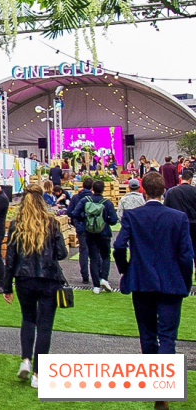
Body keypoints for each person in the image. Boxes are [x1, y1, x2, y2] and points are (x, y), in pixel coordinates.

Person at [113, 171, 193, 409]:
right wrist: (185, 282)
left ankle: (156, 386)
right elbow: (186, 256)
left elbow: (119, 246)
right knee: (167, 337)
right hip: (171, 283)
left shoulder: (133, 215)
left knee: (148, 335)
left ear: (144, 191)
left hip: (142, 282)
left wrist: (126, 269)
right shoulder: (178, 218)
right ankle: (162, 389)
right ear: (164, 191)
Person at [2, 185, 68, 390]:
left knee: (28, 319)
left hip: (24, 278)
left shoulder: (17, 224)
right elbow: (62, 253)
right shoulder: (52, 223)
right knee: (45, 326)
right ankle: (38, 374)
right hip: (49, 278)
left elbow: (10, 258)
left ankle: (26, 360)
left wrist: (6, 286)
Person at [77, 180, 119, 294]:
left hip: (90, 233)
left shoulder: (85, 200)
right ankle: (104, 278)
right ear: (103, 189)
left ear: (92, 189)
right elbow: (114, 220)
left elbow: (75, 213)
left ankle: (96, 285)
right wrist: (106, 221)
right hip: (104, 233)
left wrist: (85, 220)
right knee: (106, 256)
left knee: (93, 258)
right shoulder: (107, 203)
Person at [163, 168, 196, 271]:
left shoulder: (172, 192)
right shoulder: (194, 191)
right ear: (190, 179)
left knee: (178, 251)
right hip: (193, 225)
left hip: (177, 226)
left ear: (181, 178)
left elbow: (166, 209)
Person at [67, 177, 95, 285]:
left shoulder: (75, 197)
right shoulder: (94, 198)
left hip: (80, 227)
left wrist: (76, 220)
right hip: (93, 227)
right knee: (94, 251)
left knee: (83, 250)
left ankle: (85, 276)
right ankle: (97, 275)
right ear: (92, 187)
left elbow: (70, 212)